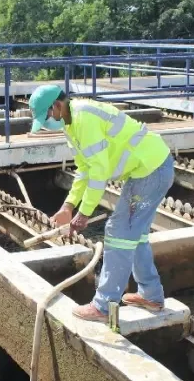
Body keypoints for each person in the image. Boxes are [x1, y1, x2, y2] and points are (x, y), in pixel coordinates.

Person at [28, 84, 175, 320]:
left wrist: (84, 213)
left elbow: (99, 171)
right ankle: (151, 295)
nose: (47, 123)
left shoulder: (84, 118)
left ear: (57, 106)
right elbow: (84, 169)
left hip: (151, 169)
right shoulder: (71, 124)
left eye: (47, 116)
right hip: (147, 169)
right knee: (134, 234)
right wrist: (69, 206)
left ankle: (104, 306)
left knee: (118, 231)